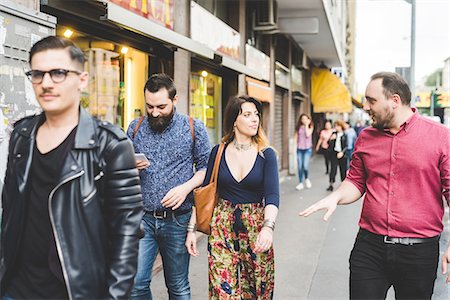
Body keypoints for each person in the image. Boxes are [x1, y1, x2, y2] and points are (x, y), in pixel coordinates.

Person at [0, 36, 143, 299]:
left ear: (82, 79)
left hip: (75, 290)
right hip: (15, 288)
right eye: (38, 74)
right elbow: (9, 211)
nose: (46, 83)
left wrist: (114, 296)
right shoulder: (21, 135)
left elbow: (127, 232)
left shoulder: (110, 145)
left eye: (58, 73)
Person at [300, 72, 450, 299]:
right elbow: (356, 181)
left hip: (419, 252)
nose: (366, 107)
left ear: (395, 100)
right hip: (369, 247)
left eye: (371, 101)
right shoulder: (366, 137)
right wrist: (336, 196)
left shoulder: (440, 137)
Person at [186, 96, 280, 299]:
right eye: (247, 114)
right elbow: (204, 191)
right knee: (223, 293)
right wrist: (191, 230)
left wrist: (268, 227)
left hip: (256, 228)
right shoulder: (217, 152)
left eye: (256, 114)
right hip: (222, 228)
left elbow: (272, 195)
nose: (254, 119)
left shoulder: (267, 155)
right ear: (234, 120)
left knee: (257, 291)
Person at [127, 73, 210, 299]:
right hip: (143, 218)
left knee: (178, 287)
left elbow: (206, 170)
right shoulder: (135, 128)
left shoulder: (194, 128)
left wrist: (185, 188)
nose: (154, 112)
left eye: (161, 106)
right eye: (150, 106)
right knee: (135, 286)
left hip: (178, 220)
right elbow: (122, 170)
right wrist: (130, 167)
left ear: (175, 100)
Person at [326, 120, 347, 192]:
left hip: (342, 154)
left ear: (341, 126)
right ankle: (331, 184)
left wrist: (342, 152)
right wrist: (331, 139)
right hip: (334, 154)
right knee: (333, 169)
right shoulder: (334, 134)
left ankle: (344, 185)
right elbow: (328, 143)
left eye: (338, 126)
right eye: (335, 126)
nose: (336, 127)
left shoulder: (345, 134)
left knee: (343, 170)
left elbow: (348, 146)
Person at [294, 113, 314, 190]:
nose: (304, 120)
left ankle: (306, 179)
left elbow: (308, 134)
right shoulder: (298, 127)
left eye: (306, 119)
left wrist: (306, 125)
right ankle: (300, 183)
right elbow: (295, 137)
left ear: (308, 119)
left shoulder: (310, 126)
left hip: (307, 149)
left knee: (305, 166)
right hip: (299, 149)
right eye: (303, 119)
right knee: (300, 167)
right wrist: (293, 149)